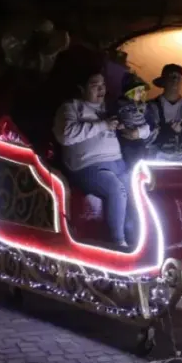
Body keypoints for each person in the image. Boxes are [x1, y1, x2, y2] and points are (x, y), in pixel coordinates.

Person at [52, 51, 136, 249]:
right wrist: (102, 125)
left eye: (103, 85)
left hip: (118, 162)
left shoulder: (109, 107)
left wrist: (125, 127)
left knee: (136, 188)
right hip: (88, 166)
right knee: (117, 189)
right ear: (81, 89)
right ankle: (119, 243)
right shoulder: (71, 108)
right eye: (94, 86)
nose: (101, 90)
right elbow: (65, 135)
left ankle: (136, 237)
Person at [146, 63, 182, 162]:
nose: (175, 80)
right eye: (171, 76)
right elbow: (148, 137)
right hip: (159, 157)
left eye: (178, 77)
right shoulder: (152, 106)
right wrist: (169, 131)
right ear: (163, 81)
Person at [114, 72, 151, 165]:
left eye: (142, 90)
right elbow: (114, 120)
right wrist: (120, 126)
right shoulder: (119, 105)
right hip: (125, 141)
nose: (142, 93)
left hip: (140, 140)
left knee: (143, 158)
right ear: (130, 92)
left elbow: (152, 125)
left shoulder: (145, 107)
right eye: (138, 90)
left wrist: (139, 132)